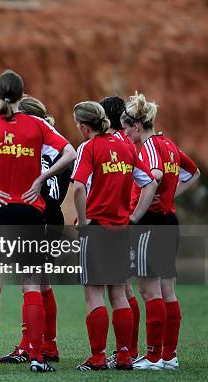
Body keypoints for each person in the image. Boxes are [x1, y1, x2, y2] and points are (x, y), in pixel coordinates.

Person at [0, 70, 76, 373]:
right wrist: (41, 178)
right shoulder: (37, 125)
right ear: (23, 96)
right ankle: (37, 358)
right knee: (32, 286)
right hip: (30, 213)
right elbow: (70, 153)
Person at [71, 101, 158, 371]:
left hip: (96, 228)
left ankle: (97, 357)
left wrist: (84, 222)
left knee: (94, 295)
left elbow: (77, 188)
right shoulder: (126, 146)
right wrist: (133, 217)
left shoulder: (89, 147)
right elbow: (150, 182)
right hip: (121, 230)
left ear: (84, 127)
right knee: (119, 294)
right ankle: (123, 356)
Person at [121, 92, 201, 370]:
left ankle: (153, 357)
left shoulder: (149, 148)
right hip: (168, 222)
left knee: (149, 291)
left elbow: (152, 178)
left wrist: (135, 216)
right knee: (168, 290)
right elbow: (193, 173)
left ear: (138, 126)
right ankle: (169, 355)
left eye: (126, 128)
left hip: (150, 224)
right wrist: (170, 196)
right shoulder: (168, 144)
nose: (125, 133)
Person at [0, 96, 69, 365]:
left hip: (33, 217)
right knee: (42, 283)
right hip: (54, 218)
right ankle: (48, 344)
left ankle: (30, 345)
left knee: (29, 284)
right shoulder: (58, 146)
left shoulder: (25, 144)